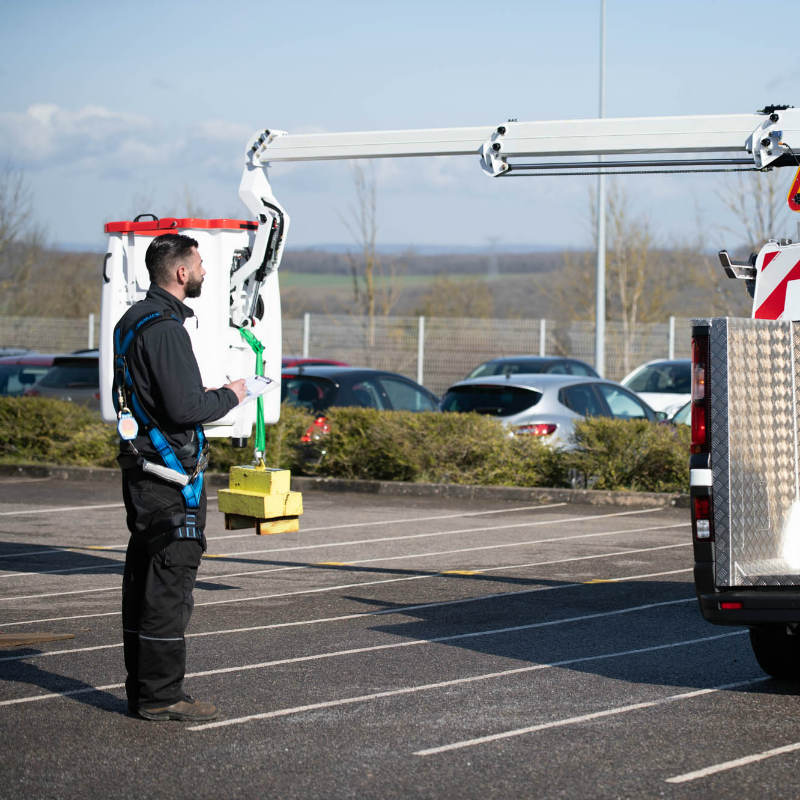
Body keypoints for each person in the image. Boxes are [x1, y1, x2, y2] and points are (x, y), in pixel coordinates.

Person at [113, 233, 246, 721]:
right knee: (169, 590)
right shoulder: (166, 330)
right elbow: (186, 406)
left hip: (143, 472)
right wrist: (234, 393)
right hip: (169, 481)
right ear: (181, 273)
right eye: (201, 263)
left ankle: (144, 691)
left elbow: (153, 397)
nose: (206, 271)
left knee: (145, 585)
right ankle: (162, 696)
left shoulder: (130, 322)